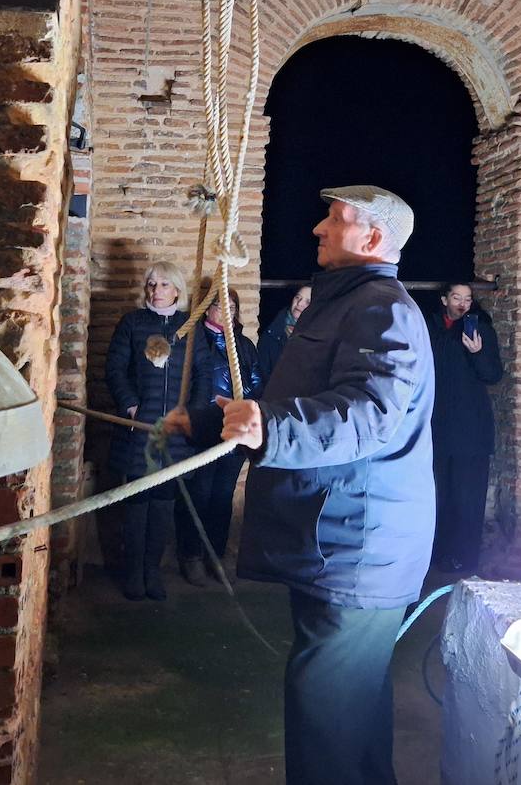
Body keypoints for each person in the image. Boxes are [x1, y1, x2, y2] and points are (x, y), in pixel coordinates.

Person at [165, 184, 434, 785]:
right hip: (342, 541)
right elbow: (302, 400)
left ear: (372, 238)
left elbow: (372, 413)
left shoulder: (381, 307)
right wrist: (210, 420)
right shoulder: (347, 304)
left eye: (334, 220)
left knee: (327, 725)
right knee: (347, 714)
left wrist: (271, 427)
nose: (318, 228)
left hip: (355, 545)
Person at [104, 261, 211, 601]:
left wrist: (190, 412)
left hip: (175, 430)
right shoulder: (132, 323)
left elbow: (203, 374)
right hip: (139, 427)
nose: (156, 290)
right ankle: (133, 573)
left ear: (177, 290)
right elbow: (115, 369)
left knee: (164, 502)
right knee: (137, 502)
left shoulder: (190, 327)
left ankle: (153, 572)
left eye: (164, 284)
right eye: (151, 284)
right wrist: (130, 404)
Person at [176, 285, 261, 585]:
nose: (225, 312)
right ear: (207, 309)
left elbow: (254, 382)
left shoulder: (245, 345)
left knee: (223, 496)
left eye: (232, 307)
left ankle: (216, 555)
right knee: (199, 492)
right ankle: (191, 556)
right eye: (217, 306)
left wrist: (244, 411)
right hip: (203, 428)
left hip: (233, 432)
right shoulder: (195, 342)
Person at [428, 281, 504, 573]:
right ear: (445, 299)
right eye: (457, 297)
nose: (462, 303)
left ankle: (465, 560)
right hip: (436, 428)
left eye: (468, 299)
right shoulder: (431, 328)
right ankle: (437, 555)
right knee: (439, 495)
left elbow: (493, 374)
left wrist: (477, 352)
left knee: (467, 497)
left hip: (470, 431)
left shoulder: (480, 329)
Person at [257, 284, 311, 385]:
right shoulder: (272, 333)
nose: (299, 303)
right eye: (298, 297)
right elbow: (262, 372)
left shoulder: (320, 336)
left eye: (307, 302)